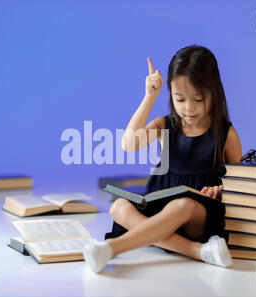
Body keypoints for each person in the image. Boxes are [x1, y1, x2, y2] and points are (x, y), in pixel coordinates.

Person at [83, 45, 242, 273]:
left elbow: (244, 183)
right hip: (160, 208)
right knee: (118, 207)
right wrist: (149, 97)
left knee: (182, 205)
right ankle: (197, 251)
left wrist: (219, 188)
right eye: (180, 99)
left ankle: (110, 248)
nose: (188, 108)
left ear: (214, 93)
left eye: (198, 99)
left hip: (196, 215)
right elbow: (129, 144)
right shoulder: (165, 125)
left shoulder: (226, 134)